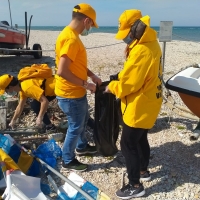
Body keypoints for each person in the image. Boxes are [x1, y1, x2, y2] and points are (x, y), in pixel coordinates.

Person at [105, 9, 163, 199]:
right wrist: (121, 76)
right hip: (150, 101)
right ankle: (144, 171)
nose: (125, 38)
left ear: (136, 29)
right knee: (141, 137)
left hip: (139, 104)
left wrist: (112, 86)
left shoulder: (141, 51)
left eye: (126, 34)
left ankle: (135, 185)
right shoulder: (152, 43)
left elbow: (129, 85)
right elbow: (135, 73)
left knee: (127, 143)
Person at [55, 3, 102, 171]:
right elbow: (62, 71)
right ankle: (68, 160)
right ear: (86, 20)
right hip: (71, 94)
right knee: (75, 126)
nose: (90, 28)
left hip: (74, 92)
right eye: (91, 25)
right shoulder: (71, 39)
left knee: (81, 120)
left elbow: (76, 63)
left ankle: (81, 147)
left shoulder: (69, 34)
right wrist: (86, 84)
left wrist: (91, 75)